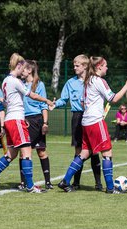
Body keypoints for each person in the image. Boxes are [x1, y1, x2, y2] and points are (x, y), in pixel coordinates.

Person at [58, 56, 127, 193]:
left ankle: (65, 181)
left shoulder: (87, 80)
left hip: (86, 121)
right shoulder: (99, 80)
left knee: (84, 153)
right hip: (95, 121)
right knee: (107, 153)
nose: (107, 68)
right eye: (105, 65)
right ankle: (111, 188)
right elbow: (114, 98)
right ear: (99, 66)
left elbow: (83, 102)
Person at [0, 53, 54, 193]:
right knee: (26, 152)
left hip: (10, 119)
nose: (24, 71)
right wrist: (47, 101)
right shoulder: (15, 81)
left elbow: (5, 102)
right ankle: (30, 185)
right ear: (19, 66)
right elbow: (31, 95)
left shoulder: (5, 81)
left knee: (11, 154)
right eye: (23, 68)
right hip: (16, 120)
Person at [54, 54, 102, 191]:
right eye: (74, 65)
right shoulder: (71, 82)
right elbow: (63, 99)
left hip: (92, 116)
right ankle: (76, 183)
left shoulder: (93, 81)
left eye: (77, 65)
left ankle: (98, 183)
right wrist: (53, 104)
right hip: (77, 117)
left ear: (85, 66)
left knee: (94, 150)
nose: (74, 68)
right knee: (79, 150)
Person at [17, 60, 53, 190]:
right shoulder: (19, 84)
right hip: (24, 120)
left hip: (36, 121)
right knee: (24, 153)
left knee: (41, 151)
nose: (21, 71)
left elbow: (44, 106)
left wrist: (45, 123)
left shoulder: (39, 85)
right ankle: (24, 182)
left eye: (24, 69)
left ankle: (48, 182)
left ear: (30, 70)